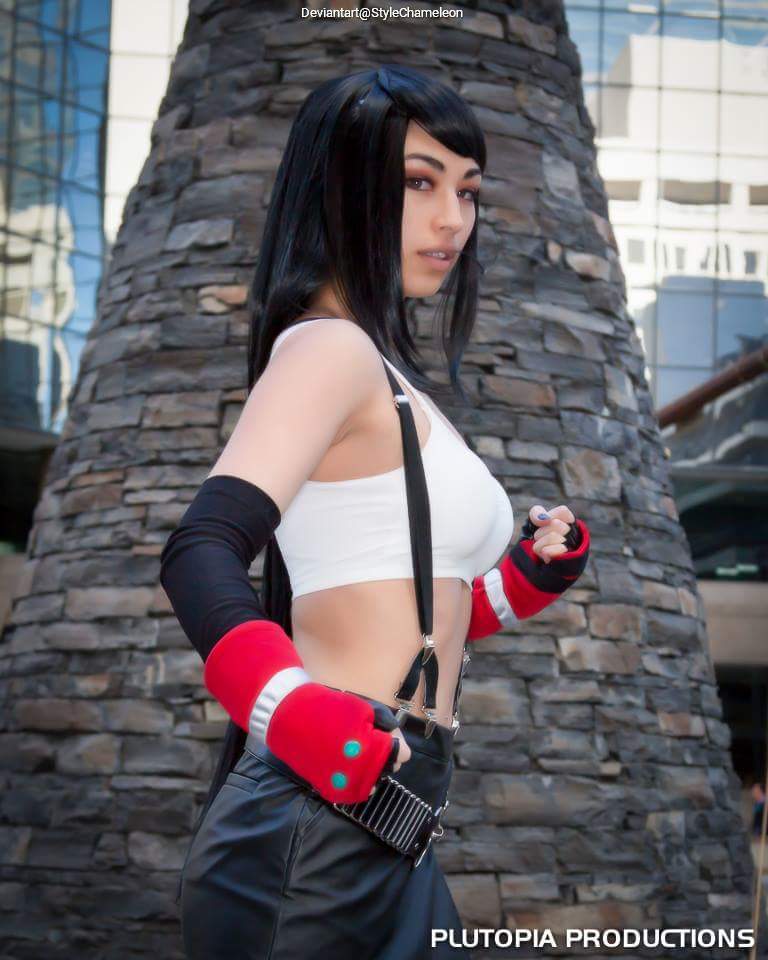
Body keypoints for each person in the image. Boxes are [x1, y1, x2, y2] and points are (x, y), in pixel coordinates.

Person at [159, 65, 590, 960]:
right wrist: (294, 713)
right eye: (419, 183)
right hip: (315, 830)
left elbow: (402, 609)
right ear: (342, 187)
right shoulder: (328, 350)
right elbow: (200, 550)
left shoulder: (388, 379)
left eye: (467, 191)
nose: (453, 221)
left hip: (392, 819)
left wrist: (521, 584)